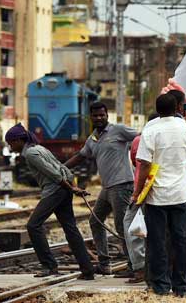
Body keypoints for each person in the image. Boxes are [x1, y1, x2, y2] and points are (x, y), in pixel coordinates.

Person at [5, 124, 94, 279]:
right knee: (70, 228)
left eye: (11, 142)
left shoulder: (31, 154)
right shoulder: (40, 148)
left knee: (33, 225)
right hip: (63, 190)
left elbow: (54, 173)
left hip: (55, 191)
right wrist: (73, 186)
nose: (10, 146)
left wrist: (71, 188)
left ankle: (49, 266)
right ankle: (87, 270)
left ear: (19, 140)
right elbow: (63, 169)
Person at [134, 94, 186, 297]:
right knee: (181, 240)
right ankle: (181, 287)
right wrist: (183, 170)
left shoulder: (150, 130)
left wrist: (137, 192)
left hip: (157, 196)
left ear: (157, 109)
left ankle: (161, 287)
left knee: (158, 241)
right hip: (182, 193)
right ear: (178, 108)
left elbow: (144, 164)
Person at [64, 102, 138, 275]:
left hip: (122, 185)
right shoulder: (93, 139)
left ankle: (134, 266)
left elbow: (141, 137)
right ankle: (104, 264)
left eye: (102, 115)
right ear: (91, 117)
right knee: (95, 221)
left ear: (107, 115)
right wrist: (61, 167)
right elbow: (80, 156)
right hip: (107, 188)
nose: (99, 118)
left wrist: (139, 161)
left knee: (122, 226)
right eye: (95, 116)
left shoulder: (118, 130)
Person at [121, 112, 160, 284]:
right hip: (162, 189)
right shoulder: (169, 137)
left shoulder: (140, 140)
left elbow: (139, 164)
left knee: (131, 226)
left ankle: (140, 268)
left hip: (143, 191)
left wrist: (136, 193)